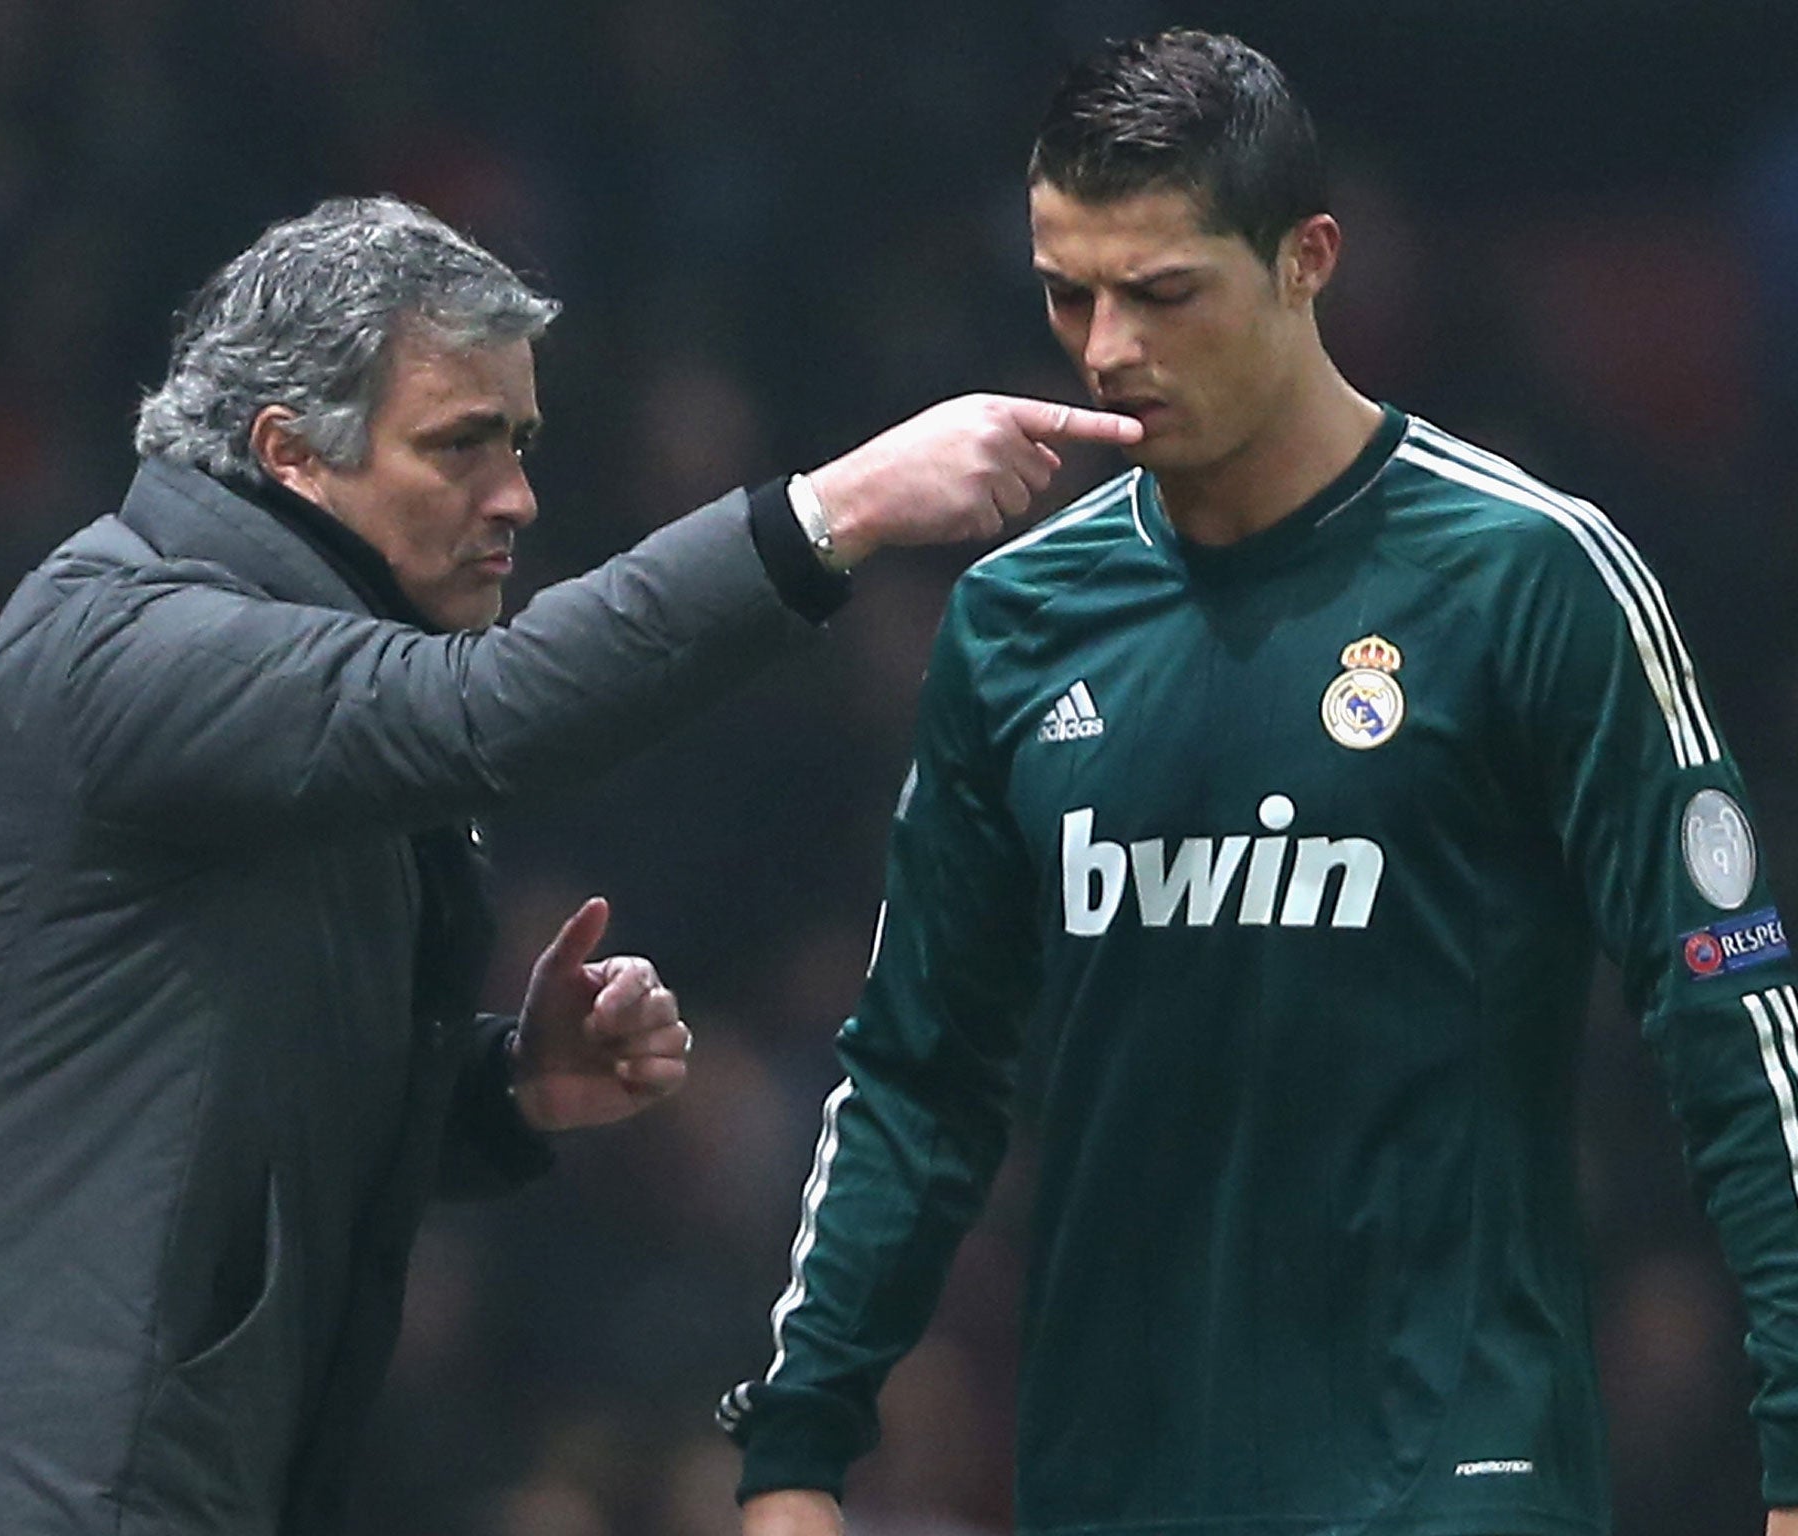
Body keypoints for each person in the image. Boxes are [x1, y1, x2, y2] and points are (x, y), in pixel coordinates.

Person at [0, 195, 1140, 1536]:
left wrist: (501, 1090)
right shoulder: (121, 633)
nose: (519, 495)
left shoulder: (283, 712)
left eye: (521, 442)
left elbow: (234, 1122)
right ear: (290, 450)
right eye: (464, 445)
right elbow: (489, 708)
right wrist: (833, 511)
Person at [722, 29, 1798, 1536]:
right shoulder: (1019, 622)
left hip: (1454, 1482)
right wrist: (795, 1449)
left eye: (1162, 293)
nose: (1103, 349)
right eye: (1067, 291)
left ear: (1309, 259)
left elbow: (1732, 1016)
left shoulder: (1530, 577)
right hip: (1113, 1484)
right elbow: (918, 1076)